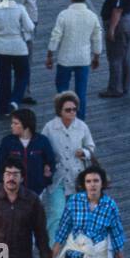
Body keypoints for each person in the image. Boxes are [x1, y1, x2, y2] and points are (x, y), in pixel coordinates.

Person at [41, 92, 95, 241]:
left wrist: (84, 152)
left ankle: (74, 250)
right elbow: (41, 148)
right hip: (57, 178)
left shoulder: (82, 126)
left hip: (77, 178)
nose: (72, 112)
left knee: (77, 216)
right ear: (59, 110)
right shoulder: (50, 128)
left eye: (74, 109)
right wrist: (46, 164)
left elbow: (90, 146)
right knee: (56, 214)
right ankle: (53, 252)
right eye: (68, 109)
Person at [46, 0, 103, 119]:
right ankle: (80, 120)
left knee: (62, 91)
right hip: (83, 59)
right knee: (81, 92)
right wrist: (96, 56)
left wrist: (50, 54)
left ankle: (62, 117)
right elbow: (97, 38)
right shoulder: (92, 16)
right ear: (84, 0)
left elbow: (56, 36)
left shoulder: (64, 14)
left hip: (65, 58)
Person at [0, 0, 34, 116]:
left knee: (3, 79)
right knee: (23, 74)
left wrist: (1, 34)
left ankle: (4, 110)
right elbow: (30, 27)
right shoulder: (20, 9)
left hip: (1, 47)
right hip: (19, 47)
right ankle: (14, 100)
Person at [0, 107, 56, 199]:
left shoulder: (42, 141)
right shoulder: (7, 142)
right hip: (13, 191)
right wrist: (4, 181)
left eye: (16, 123)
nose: (12, 126)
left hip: (36, 191)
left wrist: (44, 181)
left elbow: (51, 161)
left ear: (26, 125)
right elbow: (0, 163)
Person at [14, 0, 39, 103]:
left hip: (30, 28)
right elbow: (18, 11)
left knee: (27, 62)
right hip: (25, 32)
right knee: (25, 62)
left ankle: (24, 91)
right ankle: (24, 93)